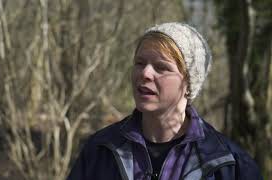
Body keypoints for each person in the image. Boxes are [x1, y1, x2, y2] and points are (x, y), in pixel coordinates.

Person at [67, 22, 263, 180]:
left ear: (189, 83)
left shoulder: (229, 163)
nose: (145, 73)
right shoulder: (101, 149)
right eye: (140, 63)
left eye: (161, 67)